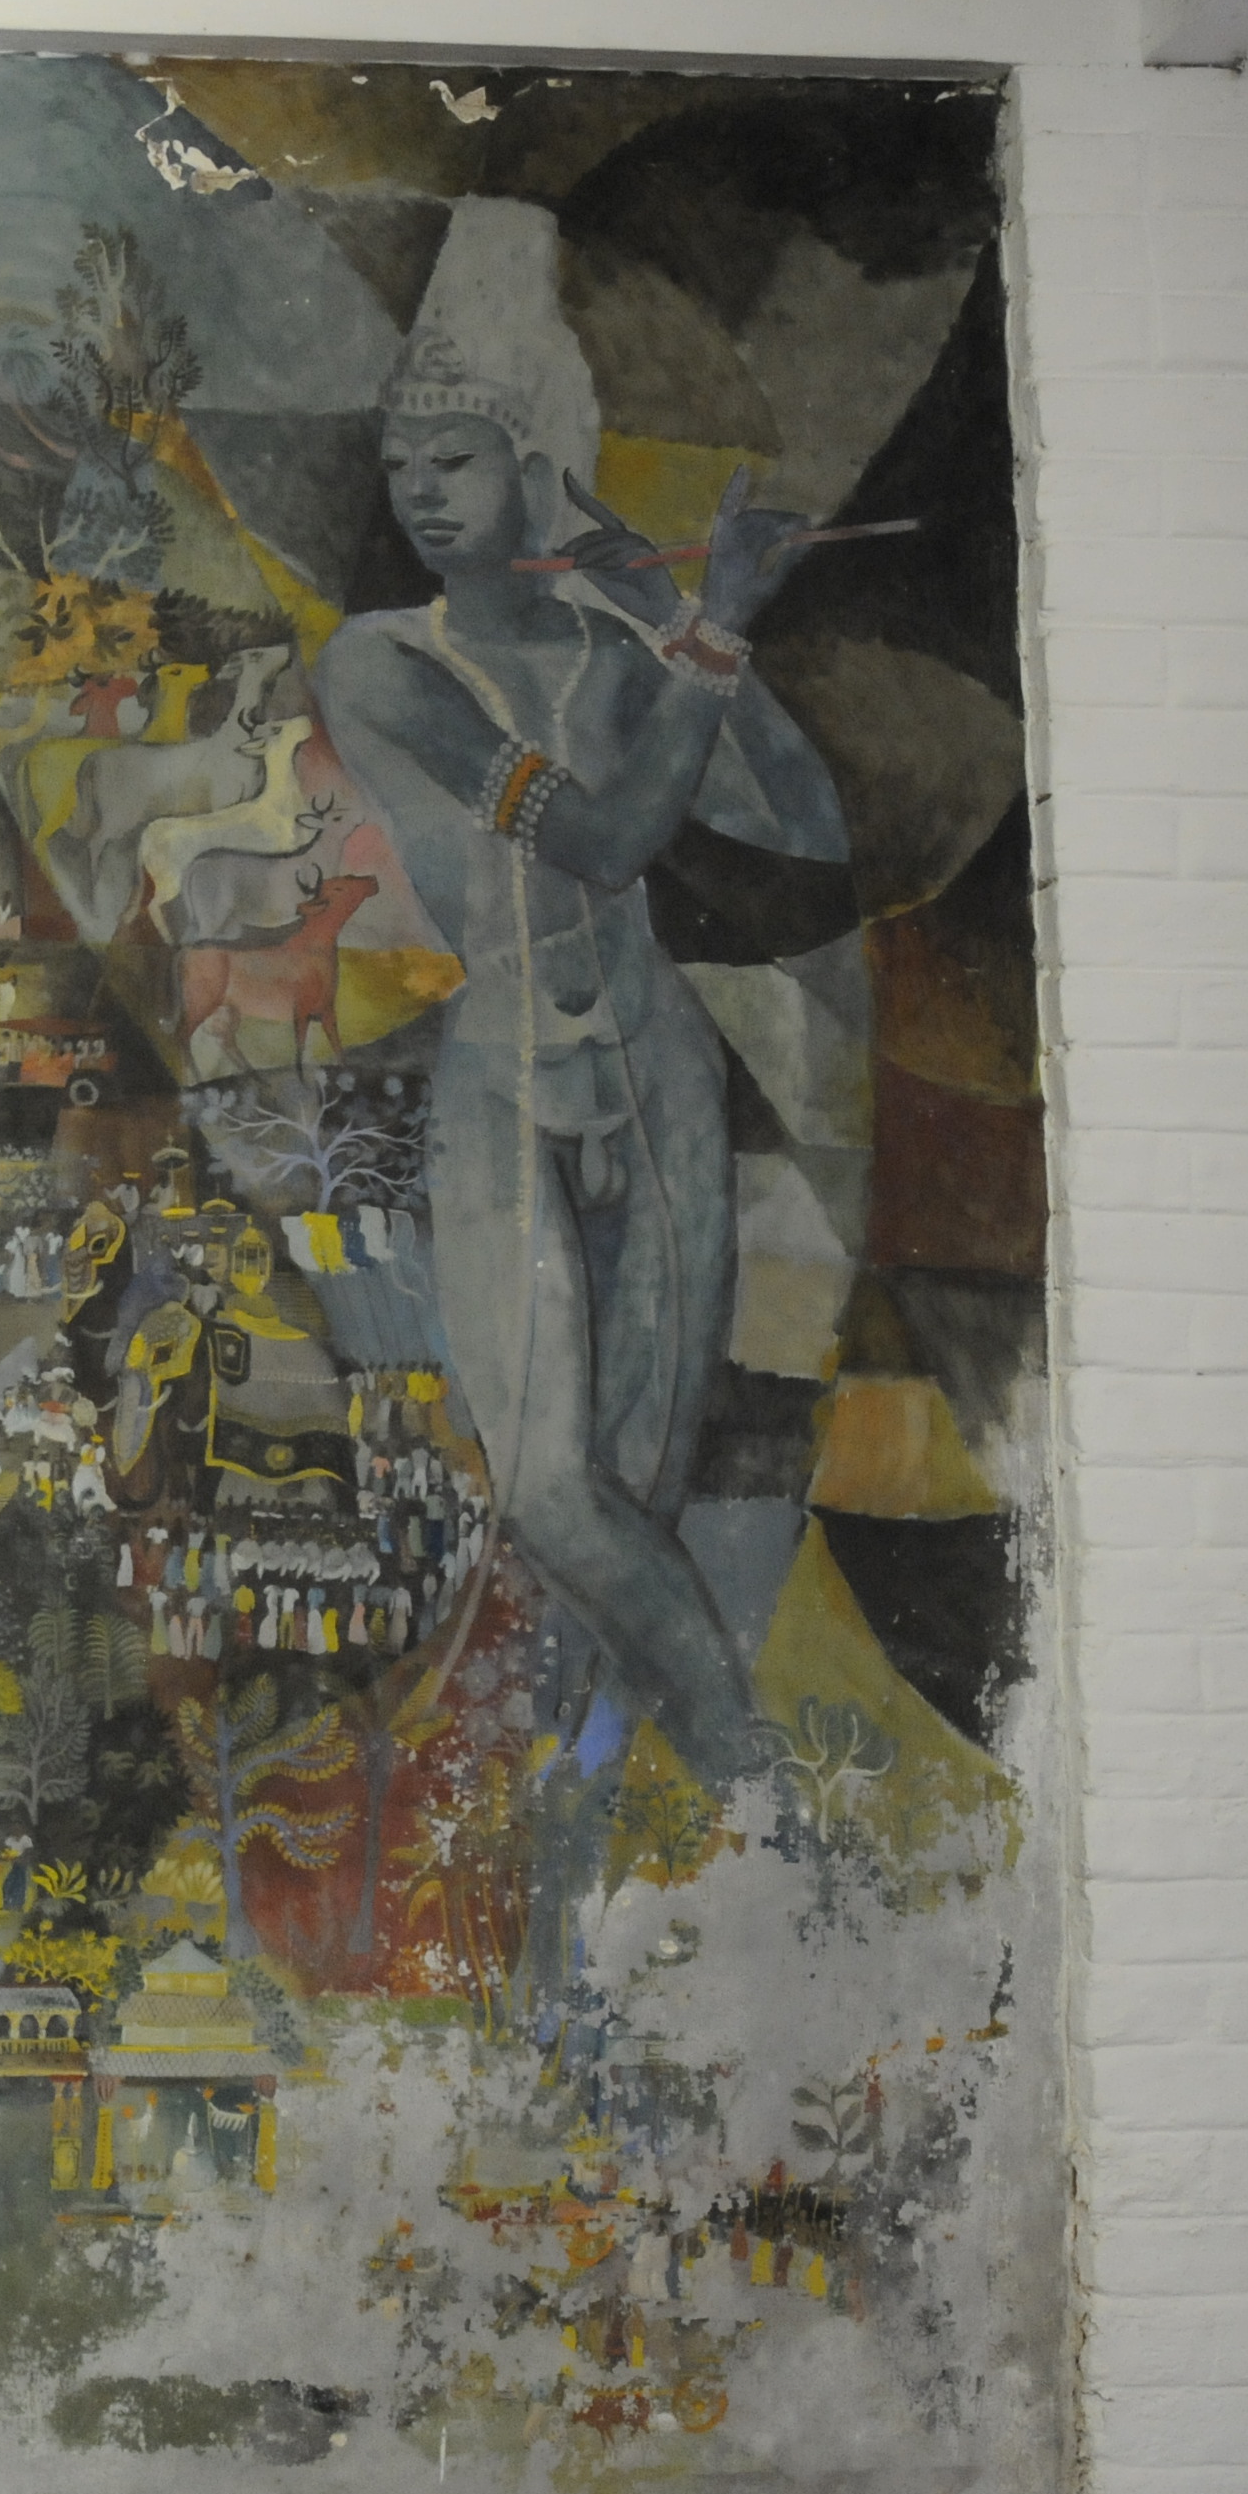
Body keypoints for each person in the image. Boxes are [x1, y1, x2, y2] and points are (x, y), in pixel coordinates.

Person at [308, 198, 848, 1785]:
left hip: (658, 1073)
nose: (421, 493)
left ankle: (611, 1816)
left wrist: (676, 618)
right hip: (501, 1082)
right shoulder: (381, 662)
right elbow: (608, 841)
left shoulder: (624, 651)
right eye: (403, 466)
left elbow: (792, 820)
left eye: (457, 460)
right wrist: (714, 633)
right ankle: (742, 1759)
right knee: (550, 1491)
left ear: (536, 470)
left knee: (642, 1480)